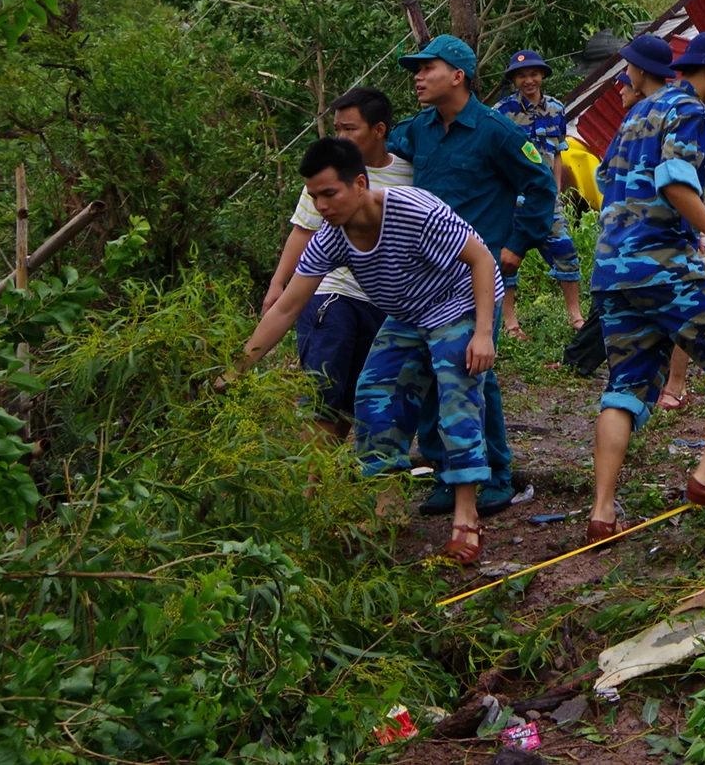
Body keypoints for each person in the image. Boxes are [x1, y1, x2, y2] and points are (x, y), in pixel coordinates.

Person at [224, 137, 499, 566]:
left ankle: (467, 518)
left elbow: (481, 259)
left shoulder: (414, 211)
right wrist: (236, 369)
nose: (321, 206)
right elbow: (288, 306)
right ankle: (385, 511)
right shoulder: (331, 236)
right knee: (373, 395)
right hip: (408, 312)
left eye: (329, 193)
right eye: (314, 196)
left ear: (358, 183)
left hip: (460, 303)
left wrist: (483, 333)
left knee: (454, 399)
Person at [586, 30, 705, 540]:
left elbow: (606, 183)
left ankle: (601, 511)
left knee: (624, 387)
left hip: (612, 270)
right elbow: (674, 180)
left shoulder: (637, 112)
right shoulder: (689, 111)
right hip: (661, 262)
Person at [387, 34, 557, 516]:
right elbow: (379, 150)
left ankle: (495, 475)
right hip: (422, 280)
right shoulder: (418, 130)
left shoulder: (495, 130)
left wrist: (515, 247)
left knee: (473, 372)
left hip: (473, 278)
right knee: (425, 374)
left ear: (458, 75)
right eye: (415, 70)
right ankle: (446, 474)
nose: (418, 77)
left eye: (428, 68)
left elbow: (541, 185)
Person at [261, 86, 411, 441]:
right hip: (331, 295)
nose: (341, 137)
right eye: (337, 128)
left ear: (379, 130)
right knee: (321, 397)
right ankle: (311, 490)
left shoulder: (409, 176)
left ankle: (329, 484)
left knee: (355, 400)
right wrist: (277, 284)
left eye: (350, 129)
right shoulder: (328, 175)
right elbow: (303, 230)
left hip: (382, 304)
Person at [563, 37, 692, 408]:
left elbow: (679, 186)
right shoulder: (647, 120)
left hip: (640, 245)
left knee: (678, 315)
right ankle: (661, 386)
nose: (621, 84)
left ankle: (671, 385)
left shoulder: (669, 115)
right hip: (634, 246)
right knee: (675, 314)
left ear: (640, 74)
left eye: (626, 75)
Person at [494, 49, 587, 332]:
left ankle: (575, 316)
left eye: (533, 74)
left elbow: (558, 153)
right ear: (514, 80)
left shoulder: (557, 109)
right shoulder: (502, 112)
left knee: (566, 252)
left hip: (546, 200)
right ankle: (510, 322)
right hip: (514, 199)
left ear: (543, 75)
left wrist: (556, 191)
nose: (528, 80)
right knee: (507, 262)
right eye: (521, 76)